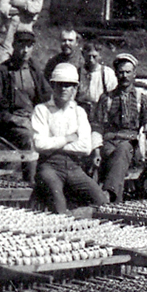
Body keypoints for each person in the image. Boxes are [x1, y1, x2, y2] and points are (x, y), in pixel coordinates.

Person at [31, 63, 108, 213]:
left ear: (75, 88)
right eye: (60, 85)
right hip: (49, 167)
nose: (64, 89)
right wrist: (67, 138)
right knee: (58, 204)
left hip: (74, 167)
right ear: (53, 85)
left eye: (69, 85)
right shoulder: (42, 110)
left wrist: (53, 143)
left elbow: (85, 148)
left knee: (101, 202)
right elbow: (39, 144)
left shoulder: (79, 112)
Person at [90, 53, 147, 203]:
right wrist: (96, 151)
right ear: (116, 74)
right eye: (121, 72)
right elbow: (97, 127)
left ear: (134, 74)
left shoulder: (141, 99)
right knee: (115, 156)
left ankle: (107, 195)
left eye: (128, 72)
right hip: (109, 143)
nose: (124, 76)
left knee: (123, 149)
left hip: (132, 146)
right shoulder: (106, 98)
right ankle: (115, 202)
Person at [0, 29, 51, 182]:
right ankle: (31, 184)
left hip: (32, 118)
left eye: (29, 46)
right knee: (29, 137)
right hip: (11, 122)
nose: (25, 50)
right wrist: (15, 119)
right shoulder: (2, 71)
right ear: (13, 45)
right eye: (21, 45)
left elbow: (47, 94)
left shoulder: (34, 69)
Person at [77, 39, 117, 114]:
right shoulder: (78, 72)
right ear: (83, 54)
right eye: (88, 56)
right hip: (81, 109)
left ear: (100, 56)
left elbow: (113, 95)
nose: (91, 60)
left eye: (94, 57)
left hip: (99, 110)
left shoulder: (107, 73)